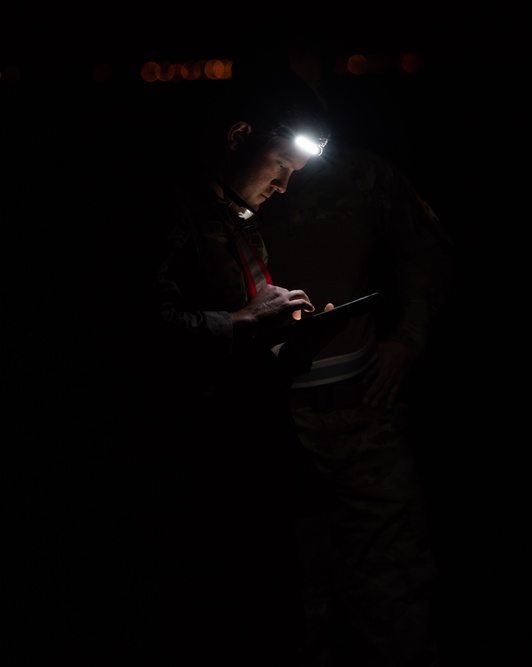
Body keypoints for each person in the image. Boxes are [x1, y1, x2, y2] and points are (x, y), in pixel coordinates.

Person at [130, 60, 336, 665]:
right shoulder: (165, 211)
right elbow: (144, 335)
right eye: (281, 168)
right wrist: (245, 322)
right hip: (197, 476)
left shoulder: (238, 223)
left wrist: (290, 344)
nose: (284, 187)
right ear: (239, 136)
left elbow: (246, 353)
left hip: (252, 464)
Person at [258, 43, 454, 667]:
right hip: (275, 420)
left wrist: (407, 339)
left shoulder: (362, 175)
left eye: (317, 89)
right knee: (296, 597)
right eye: (295, 89)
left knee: (392, 589)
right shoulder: (228, 190)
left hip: (364, 408)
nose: (311, 103)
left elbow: (426, 252)